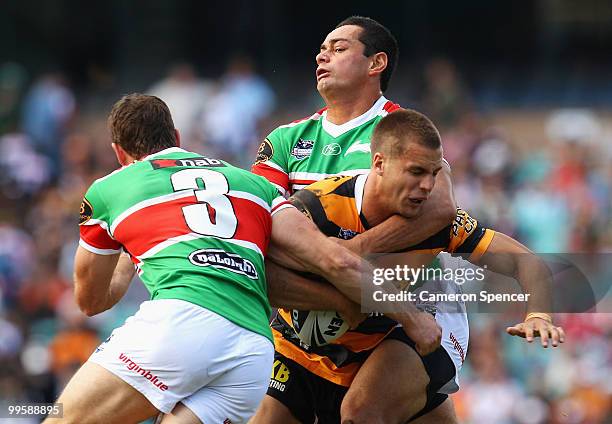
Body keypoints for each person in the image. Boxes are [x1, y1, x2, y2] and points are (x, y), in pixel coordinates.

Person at [44, 94, 435, 424]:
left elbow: (91, 302)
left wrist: (132, 254)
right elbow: (335, 260)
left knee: (57, 415)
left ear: (118, 153)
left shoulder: (109, 189)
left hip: (180, 323)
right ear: (177, 137)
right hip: (253, 349)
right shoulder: (254, 185)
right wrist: (412, 317)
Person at [252, 109, 565, 424]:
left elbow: (527, 262)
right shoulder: (317, 208)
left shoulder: (436, 220)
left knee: (361, 413)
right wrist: (340, 301)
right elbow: (264, 276)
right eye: (416, 172)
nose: (428, 186)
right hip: (308, 339)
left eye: (434, 173)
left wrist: (539, 313)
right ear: (379, 164)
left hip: (419, 326)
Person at [251, 15, 459, 421]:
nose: (322, 54)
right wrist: (339, 275)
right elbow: (260, 228)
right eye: (322, 49)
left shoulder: (399, 129)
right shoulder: (285, 140)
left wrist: (349, 253)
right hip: (318, 317)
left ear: (375, 63)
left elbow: (440, 209)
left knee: (360, 414)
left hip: (412, 308)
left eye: (339, 47)